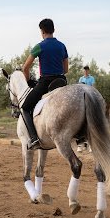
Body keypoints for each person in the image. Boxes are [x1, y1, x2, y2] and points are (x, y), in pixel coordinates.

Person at [21, 18, 69, 150]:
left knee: (25, 107)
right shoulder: (62, 46)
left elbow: (25, 67)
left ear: (42, 31)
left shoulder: (39, 46)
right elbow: (66, 70)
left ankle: (34, 138)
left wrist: (28, 80)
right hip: (61, 81)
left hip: (46, 82)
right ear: (53, 30)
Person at [77, 65, 95, 152]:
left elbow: (93, 87)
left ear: (88, 71)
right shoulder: (81, 79)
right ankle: (81, 145)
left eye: (87, 70)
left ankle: (91, 145)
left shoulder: (91, 78)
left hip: (89, 96)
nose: (85, 72)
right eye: (84, 70)